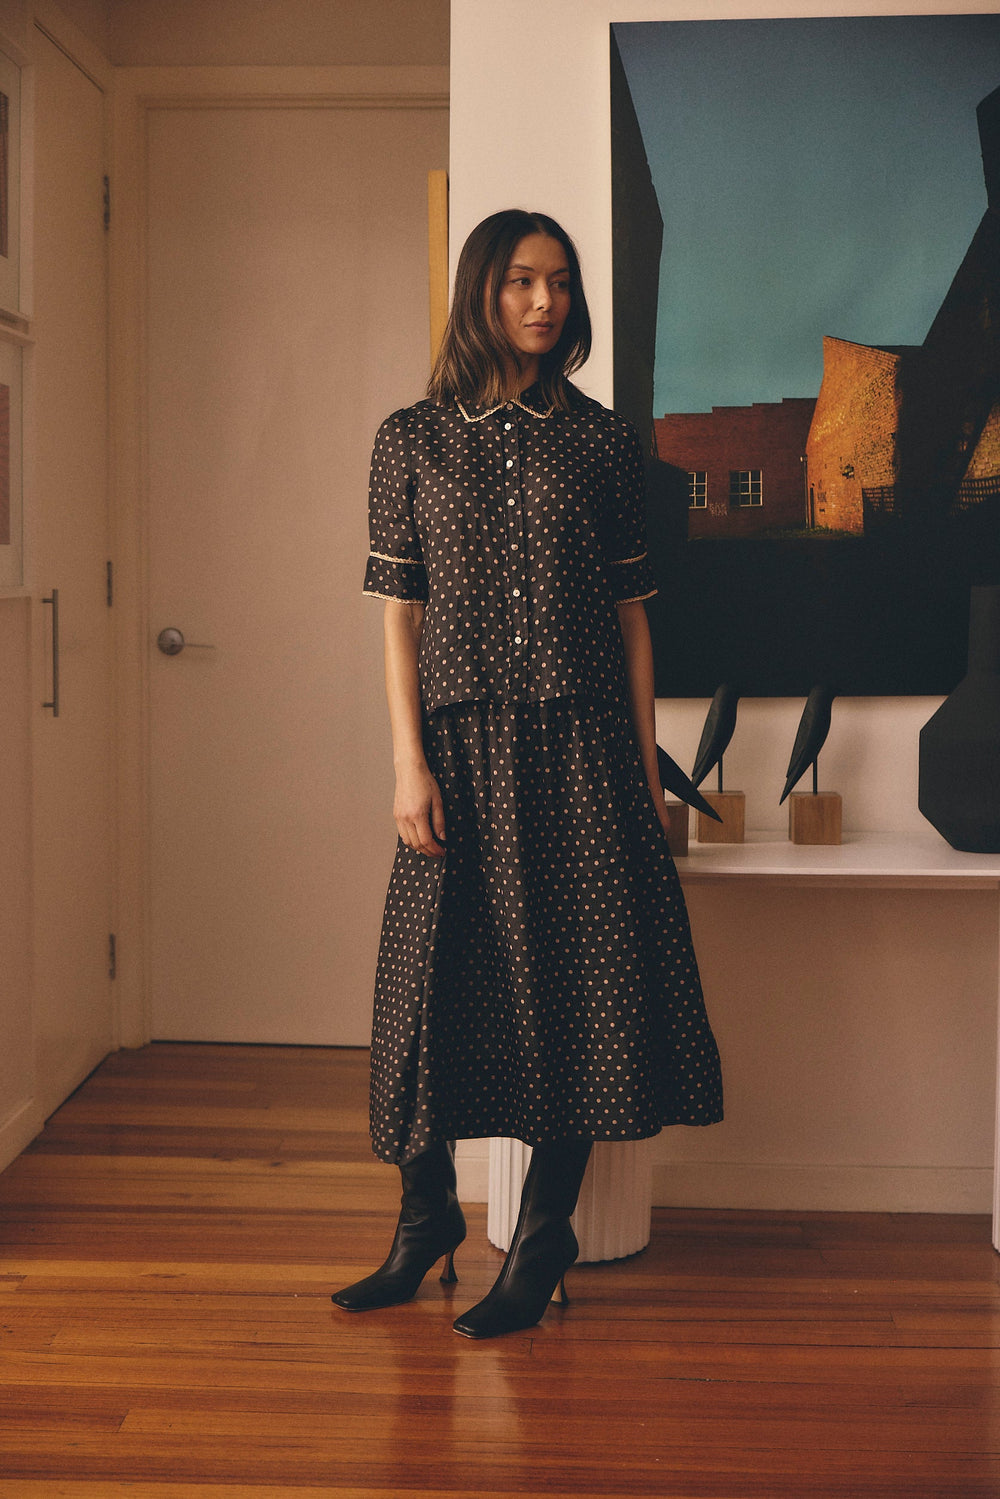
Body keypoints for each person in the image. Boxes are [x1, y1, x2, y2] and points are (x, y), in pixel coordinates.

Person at [332, 209, 723, 1340]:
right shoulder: (409, 438)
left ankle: (543, 1234)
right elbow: (399, 617)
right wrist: (407, 762)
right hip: (454, 752)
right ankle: (425, 1222)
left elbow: (632, 618)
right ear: (481, 291)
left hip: (583, 752)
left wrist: (645, 773)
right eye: (518, 281)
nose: (544, 302)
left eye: (559, 282)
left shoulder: (602, 442)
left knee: (579, 992)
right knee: (423, 988)